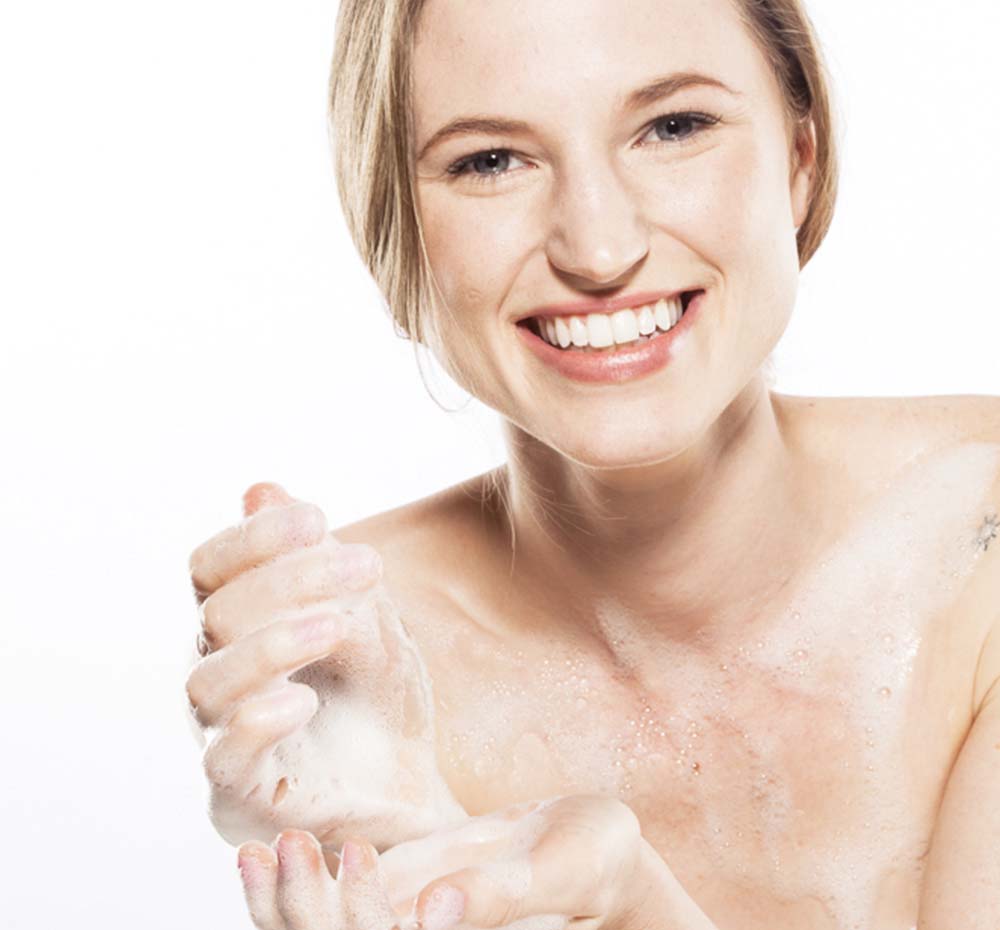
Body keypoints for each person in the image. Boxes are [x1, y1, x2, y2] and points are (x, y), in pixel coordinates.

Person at [185, 0, 1000, 927]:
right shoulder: (359, 674)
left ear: (800, 163)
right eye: (490, 160)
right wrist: (422, 840)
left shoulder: (980, 545)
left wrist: (627, 901)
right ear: (395, 235)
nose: (600, 249)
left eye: (674, 126)